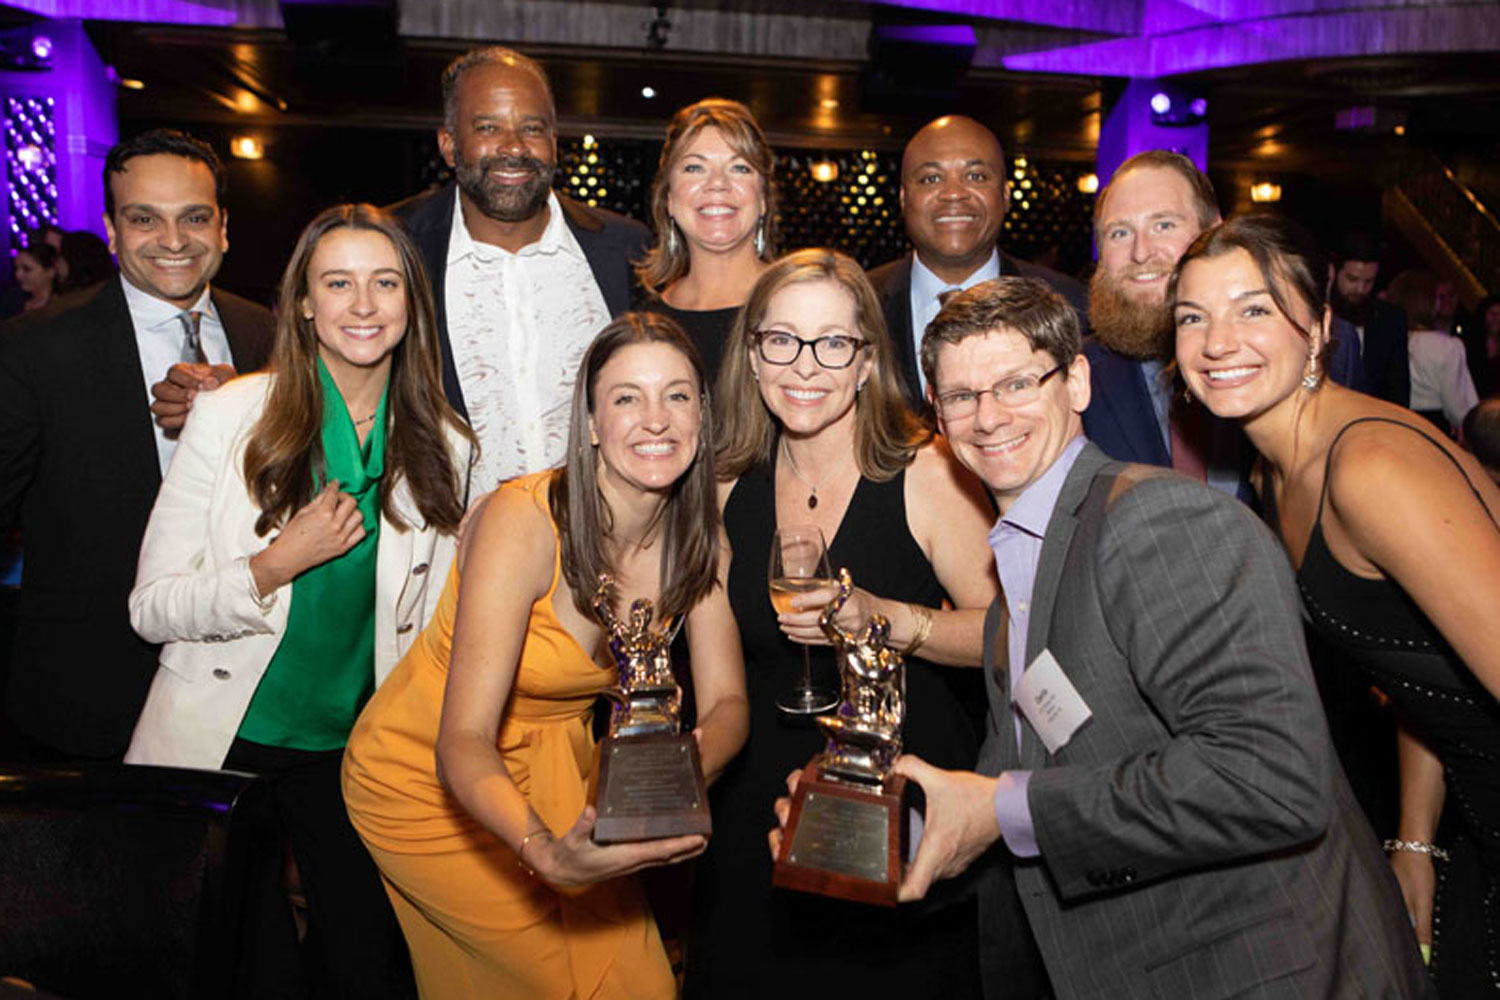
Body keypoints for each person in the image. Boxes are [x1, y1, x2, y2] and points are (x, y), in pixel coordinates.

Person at [808, 274, 1432, 1000]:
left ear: (1076, 382)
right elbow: (1010, 795)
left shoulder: (1160, 523)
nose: (988, 416)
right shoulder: (1018, 578)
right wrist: (877, 833)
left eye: (1015, 383)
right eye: (961, 397)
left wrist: (1003, 809)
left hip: (1270, 973)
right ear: (937, 419)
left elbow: (1269, 778)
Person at [343, 312, 748, 999]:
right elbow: (463, 738)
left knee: (640, 982)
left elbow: (728, 704)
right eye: (626, 397)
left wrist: (671, 788)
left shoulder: (700, 536)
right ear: (590, 423)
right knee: (549, 981)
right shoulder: (524, 522)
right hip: (426, 780)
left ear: (703, 417)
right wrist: (544, 855)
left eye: (677, 395)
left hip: (567, 773)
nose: (656, 419)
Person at [125, 203, 472, 997]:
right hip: (224, 738)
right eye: (338, 282)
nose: (362, 304)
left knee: (364, 966)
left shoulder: (446, 447)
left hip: (355, 753)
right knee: (242, 968)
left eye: (385, 283)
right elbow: (150, 607)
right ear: (305, 303)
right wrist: (274, 564)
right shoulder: (229, 414)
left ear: (411, 304)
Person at [1173, 214, 1500, 996]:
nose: (1219, 341)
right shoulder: (1273, 471)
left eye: (1254, 309)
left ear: (1318, 328)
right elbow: (1425, 662)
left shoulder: (1370, 467)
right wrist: (1417, 841)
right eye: (1193, 316)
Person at [687, 248, 999, 999]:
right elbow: (722, 685)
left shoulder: (926, 470)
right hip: (759, 807)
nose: (805, 365)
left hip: (895, 800)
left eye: (833, 343)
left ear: (865, 362)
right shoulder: (727, 483)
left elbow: (1011, 635)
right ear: (753, 356)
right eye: (782, 340)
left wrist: (889, 619)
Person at [0, 129, 274, 762]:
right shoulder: (36, 348)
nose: (174, 241)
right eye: (144, 219)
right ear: (112, 230)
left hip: (244, 690)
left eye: (194, 218)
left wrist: (248, 408)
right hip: (91, 692)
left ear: (224, 227)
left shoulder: (265, 332)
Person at [867, 115, 1087, 408]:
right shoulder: (858, 305)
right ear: (904, 199)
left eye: (976, 176)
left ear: (1005, 195)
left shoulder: (1075, 307)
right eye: (931, 178)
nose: (954, 193)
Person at [1080, 150, 1255, 501]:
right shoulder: (1072, 381)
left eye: (1164, 225)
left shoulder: (1296, 352)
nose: (1141, 252)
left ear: (1215, 233)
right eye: (1119, 233)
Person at [635, 97, 776, 380]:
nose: (718, 184)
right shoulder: (645, 323)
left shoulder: (797, 302)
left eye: (740, 168)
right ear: (670, 200)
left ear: (762, 199)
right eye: (694, 168)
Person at [1387, 268, 1478, 434]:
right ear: (1427, 302)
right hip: (1433, 428)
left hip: (1392, 423)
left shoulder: (1384, 339)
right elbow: (1457, 408)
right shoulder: (1447, 346)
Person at [1329, 229, 1410, 406]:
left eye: (1368, 282)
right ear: (1334, 271)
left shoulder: (1390, 319)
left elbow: (1398, 390)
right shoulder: (1316, 314)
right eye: (1352, 279)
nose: (1360, 289)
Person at [4, 243, 61, 317]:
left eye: (27, 269)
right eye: (16, 269)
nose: (18, 275)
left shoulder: (66, 300)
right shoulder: (11, 301)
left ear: (50, 272)